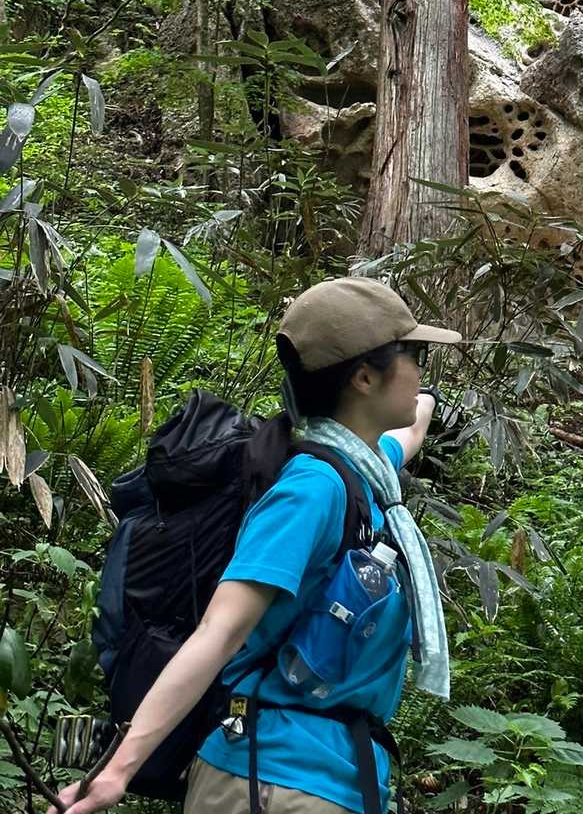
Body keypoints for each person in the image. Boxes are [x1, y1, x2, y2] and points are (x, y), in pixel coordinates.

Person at [58, 276, 462, 814]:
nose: (422, 373)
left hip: (326, 778)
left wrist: (427, 399)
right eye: (415, 357)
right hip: (270, 783)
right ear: (365, 377)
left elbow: (409, 435)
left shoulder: (367, 472)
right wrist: (118, 769)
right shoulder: (312, 491)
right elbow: (219, 632)